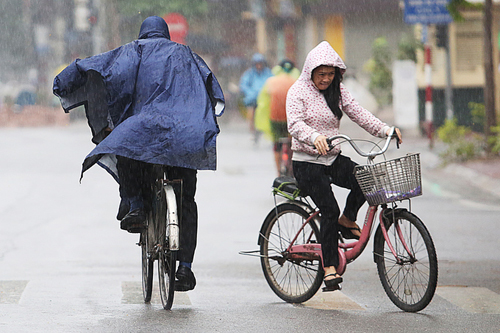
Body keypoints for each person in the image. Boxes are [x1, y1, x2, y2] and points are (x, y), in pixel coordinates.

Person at [53, 16, 225, 292]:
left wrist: (67, 80)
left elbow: (103, 69)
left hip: (147, 126)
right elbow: (212, 90)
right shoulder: (186, 54)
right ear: (166, 35)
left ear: (144, 34)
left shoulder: (135, 50)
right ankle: (185, 268)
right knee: (187, 199)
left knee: (125, 144)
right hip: (186, 131)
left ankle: (134, 204)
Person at [286, 41, 402, 290]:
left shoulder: (338, 91)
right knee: (328, 209)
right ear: (310, 72)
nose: (326, 79)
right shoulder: (297, 91)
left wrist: (384, 130)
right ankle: (329, 267)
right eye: (321, 74)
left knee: (367, 179)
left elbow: (358, 113)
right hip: (307, 163)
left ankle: (348, 219)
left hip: (332, 157)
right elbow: (294, 124)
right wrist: (313, 137)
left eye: (330, 74)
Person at [254, 59, 298, 175]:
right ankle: (292, 169)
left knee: (277, 144)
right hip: (291, 119)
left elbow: (263, 101)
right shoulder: (297, 81)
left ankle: (278, 171)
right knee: (293, 143)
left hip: (275, 118)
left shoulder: (271, 81)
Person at [239, 53, 272, 141]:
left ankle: (266, 131)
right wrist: (250, 93)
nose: (259, 65)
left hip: (265, 99)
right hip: (252, 98)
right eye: (257, 63)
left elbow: (272, 83)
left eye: (260, 63)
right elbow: (243, 85)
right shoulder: (249, 74)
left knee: (268, 114)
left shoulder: (268, 73)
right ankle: (253, 131)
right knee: (251, 113)